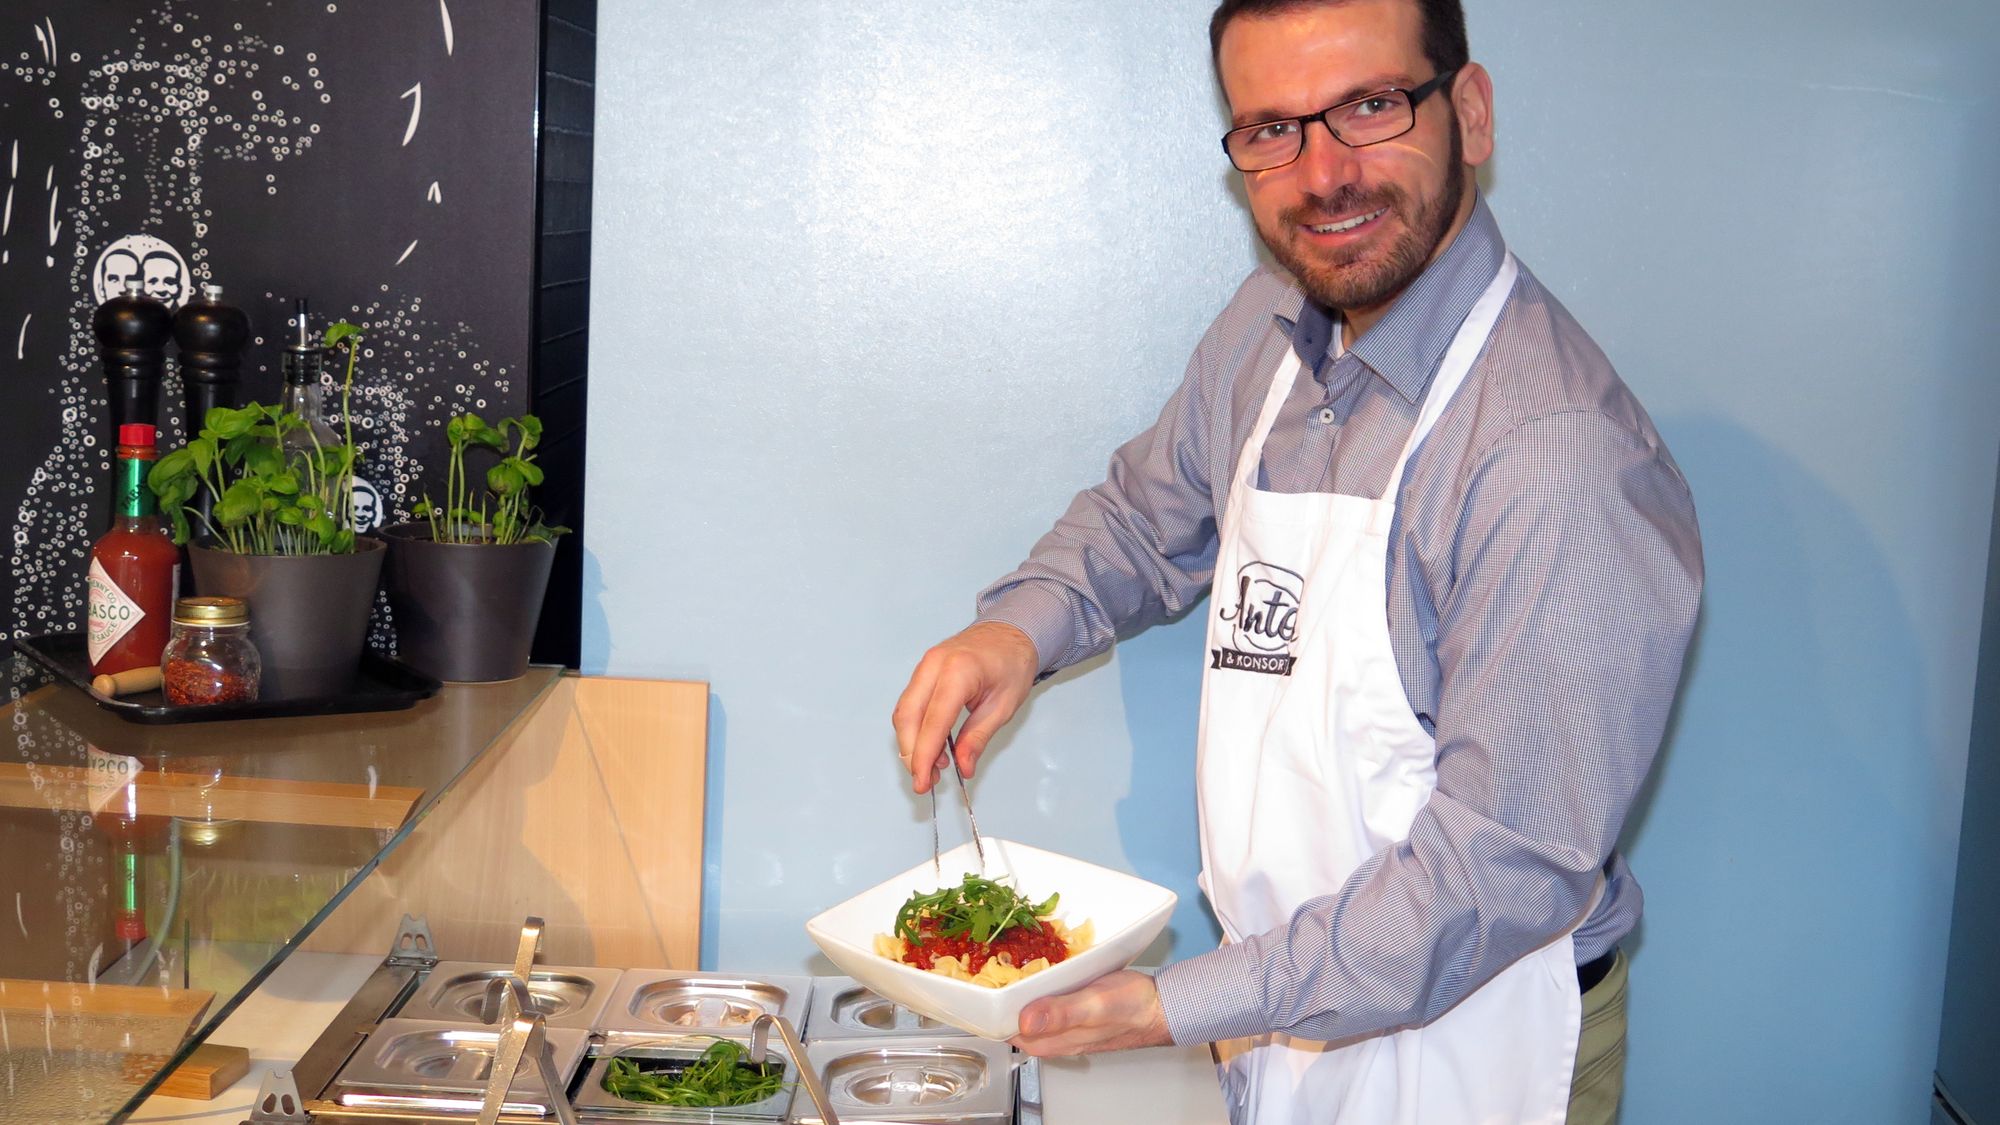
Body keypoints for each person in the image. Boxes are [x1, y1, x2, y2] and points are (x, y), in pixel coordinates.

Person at [890, 0, 1703, 1121]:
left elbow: (1497, 871)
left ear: (1469, 113)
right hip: (1282, 1010)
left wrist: (1183, 1003)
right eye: (1272, 129)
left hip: (1478, 1034)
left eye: (1369, 107)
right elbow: (1145, 516)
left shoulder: (1555, 455)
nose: (1322, 175)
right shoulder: (1269, 323)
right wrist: (1015, 630)